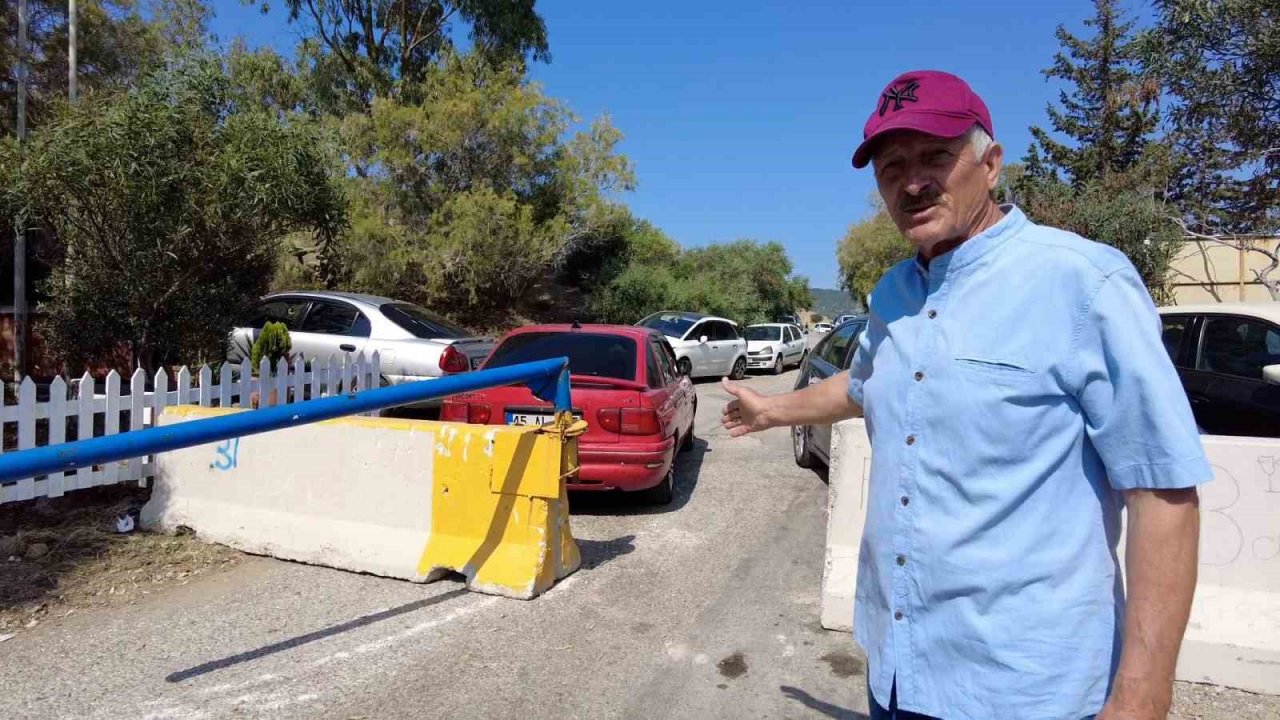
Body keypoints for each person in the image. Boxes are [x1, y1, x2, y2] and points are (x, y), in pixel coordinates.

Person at [721, 70, 1209, 720]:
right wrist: (771, 408)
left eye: (935, 156)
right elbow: (864, 385)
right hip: (896, 672)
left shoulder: (1081, 283)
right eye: (892, 166)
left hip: (1024, 689)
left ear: (991, 164)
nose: (912, 181)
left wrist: (1142, 697)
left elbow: (1164, 490)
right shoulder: (894, 295)